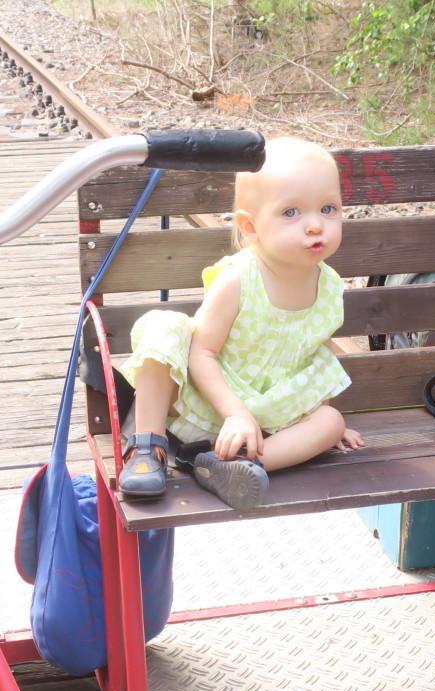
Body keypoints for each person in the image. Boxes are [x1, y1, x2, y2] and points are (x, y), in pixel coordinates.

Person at [116, 136, 365, 510]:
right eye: (291, 212)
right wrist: (235, 413)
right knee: (165, 326)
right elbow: (202, 353)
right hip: (204, 402)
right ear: (250, 227)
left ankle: (234, 467)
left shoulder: (329, 286)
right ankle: (147, 446)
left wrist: (317, 420)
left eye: (328, 209)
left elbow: (317, 360)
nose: (315, 225)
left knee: (330, 421)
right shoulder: (238, 279)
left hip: (266, 423)